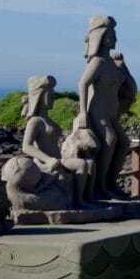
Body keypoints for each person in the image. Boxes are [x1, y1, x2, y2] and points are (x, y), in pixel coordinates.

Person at [77, 16, 138, 200]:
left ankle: (111, 183)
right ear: (103, 36)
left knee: (123, 144)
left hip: (112, 114)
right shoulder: (98, 63)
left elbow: (131, 89)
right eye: (112, 34)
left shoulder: (111, 63)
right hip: (98, 113)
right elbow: (82, 84)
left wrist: (124, 67)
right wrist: (83, 112)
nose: (116, 39)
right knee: (110, 141)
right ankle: (100, 186)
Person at [20, 75, 93, 207]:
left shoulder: (49, 121)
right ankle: (78, 201)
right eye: (51, 94)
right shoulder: (35, 121)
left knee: (91, 163)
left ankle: (88, 199)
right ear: (41, 96)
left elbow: (66, 135)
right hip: (45, 163)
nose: (54, 97)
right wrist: (48, 159)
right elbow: (26, 146)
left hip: (59, 159)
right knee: (82, 165)